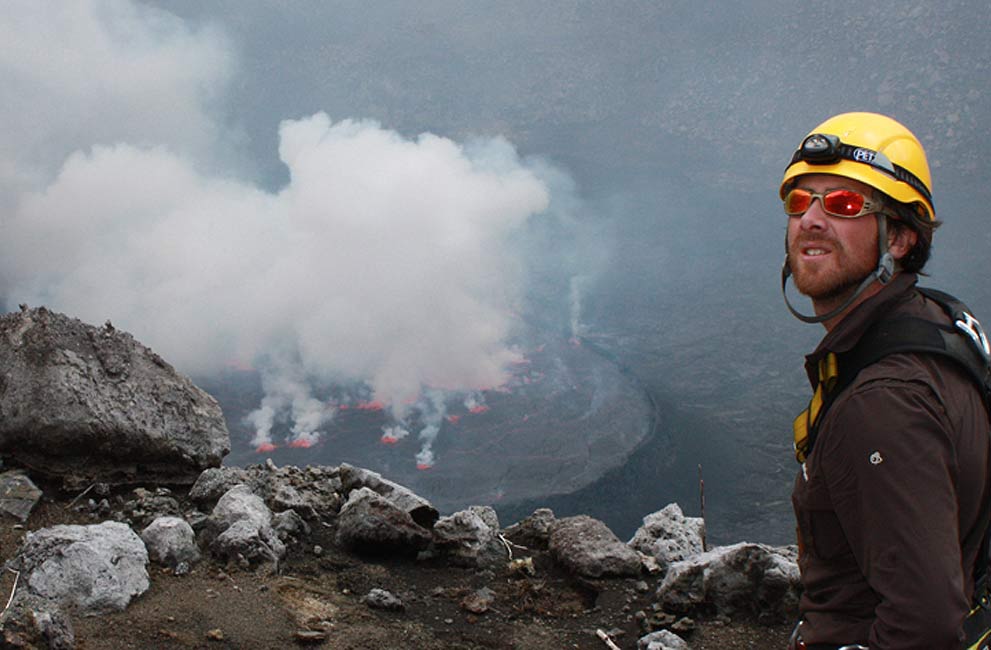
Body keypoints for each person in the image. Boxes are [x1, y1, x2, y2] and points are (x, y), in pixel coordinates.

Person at [780, 112, 991, 649]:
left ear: (898, 238)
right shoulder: (935, 321)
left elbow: (923, 627)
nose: (812, 219)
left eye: (846, 204)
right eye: (800, 202)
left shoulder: (883, 404)